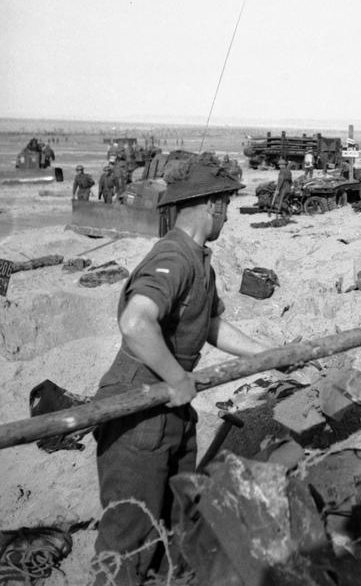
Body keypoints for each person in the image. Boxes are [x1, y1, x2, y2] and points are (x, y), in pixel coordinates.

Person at [91, 157, 266, 584]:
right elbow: (136, 323)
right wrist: (176, 377)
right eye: (225, 203)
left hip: (169, 410)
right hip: (138, 408)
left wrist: (268, 353)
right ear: (211, 205)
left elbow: (211, 325)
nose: (226, 213)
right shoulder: (174, 255)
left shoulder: (198, 260)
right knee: (128, 538)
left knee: (174, 525)